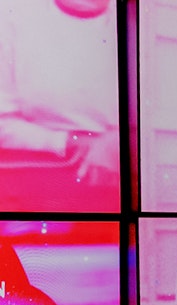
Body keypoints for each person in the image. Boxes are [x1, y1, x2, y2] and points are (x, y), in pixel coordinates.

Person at [0, 0, 120, 212]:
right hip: (35, 182)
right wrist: (68, 142)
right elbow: (3, 123)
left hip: (122, 181)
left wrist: (117, 142)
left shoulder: (142, 21)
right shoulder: (12, 16)